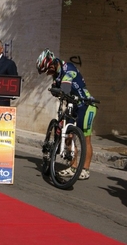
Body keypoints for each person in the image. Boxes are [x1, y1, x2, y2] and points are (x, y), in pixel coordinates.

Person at [36, 49, 97, 180]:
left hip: (86, 105)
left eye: (47, 70)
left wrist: (59, 90)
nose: (47, 73)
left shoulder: (68, 67)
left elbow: (65, 87)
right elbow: (56, 89)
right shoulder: (56, 73)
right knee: (68, 136)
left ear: (52, 65)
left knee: (86, 139)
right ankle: (73, 166)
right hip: (72, 105)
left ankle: (85, 169)